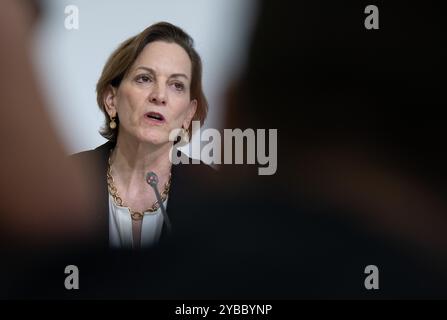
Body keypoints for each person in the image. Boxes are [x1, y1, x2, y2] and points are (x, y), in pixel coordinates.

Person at [71, 22, 216, 250]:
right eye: (144, 79)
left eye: (177, 85)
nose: (159, 96)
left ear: (188, 114)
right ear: (112, 100)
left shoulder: (212, 195)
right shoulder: (70, 180)